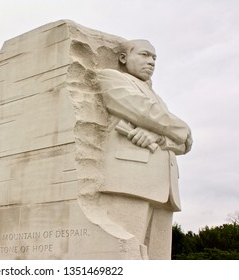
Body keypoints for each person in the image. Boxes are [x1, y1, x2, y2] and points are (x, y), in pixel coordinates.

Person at [96, 39, 192, 259]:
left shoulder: (158, 98)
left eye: (154, 58)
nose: (151, 62)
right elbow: (142, 111)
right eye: (144, 55)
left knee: (159, 258)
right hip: (131, 180)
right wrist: (183, 128)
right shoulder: (112, 78)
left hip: (165, 187)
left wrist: (159, 135)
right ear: (123, 58)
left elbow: (183, 143)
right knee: (124, 253)